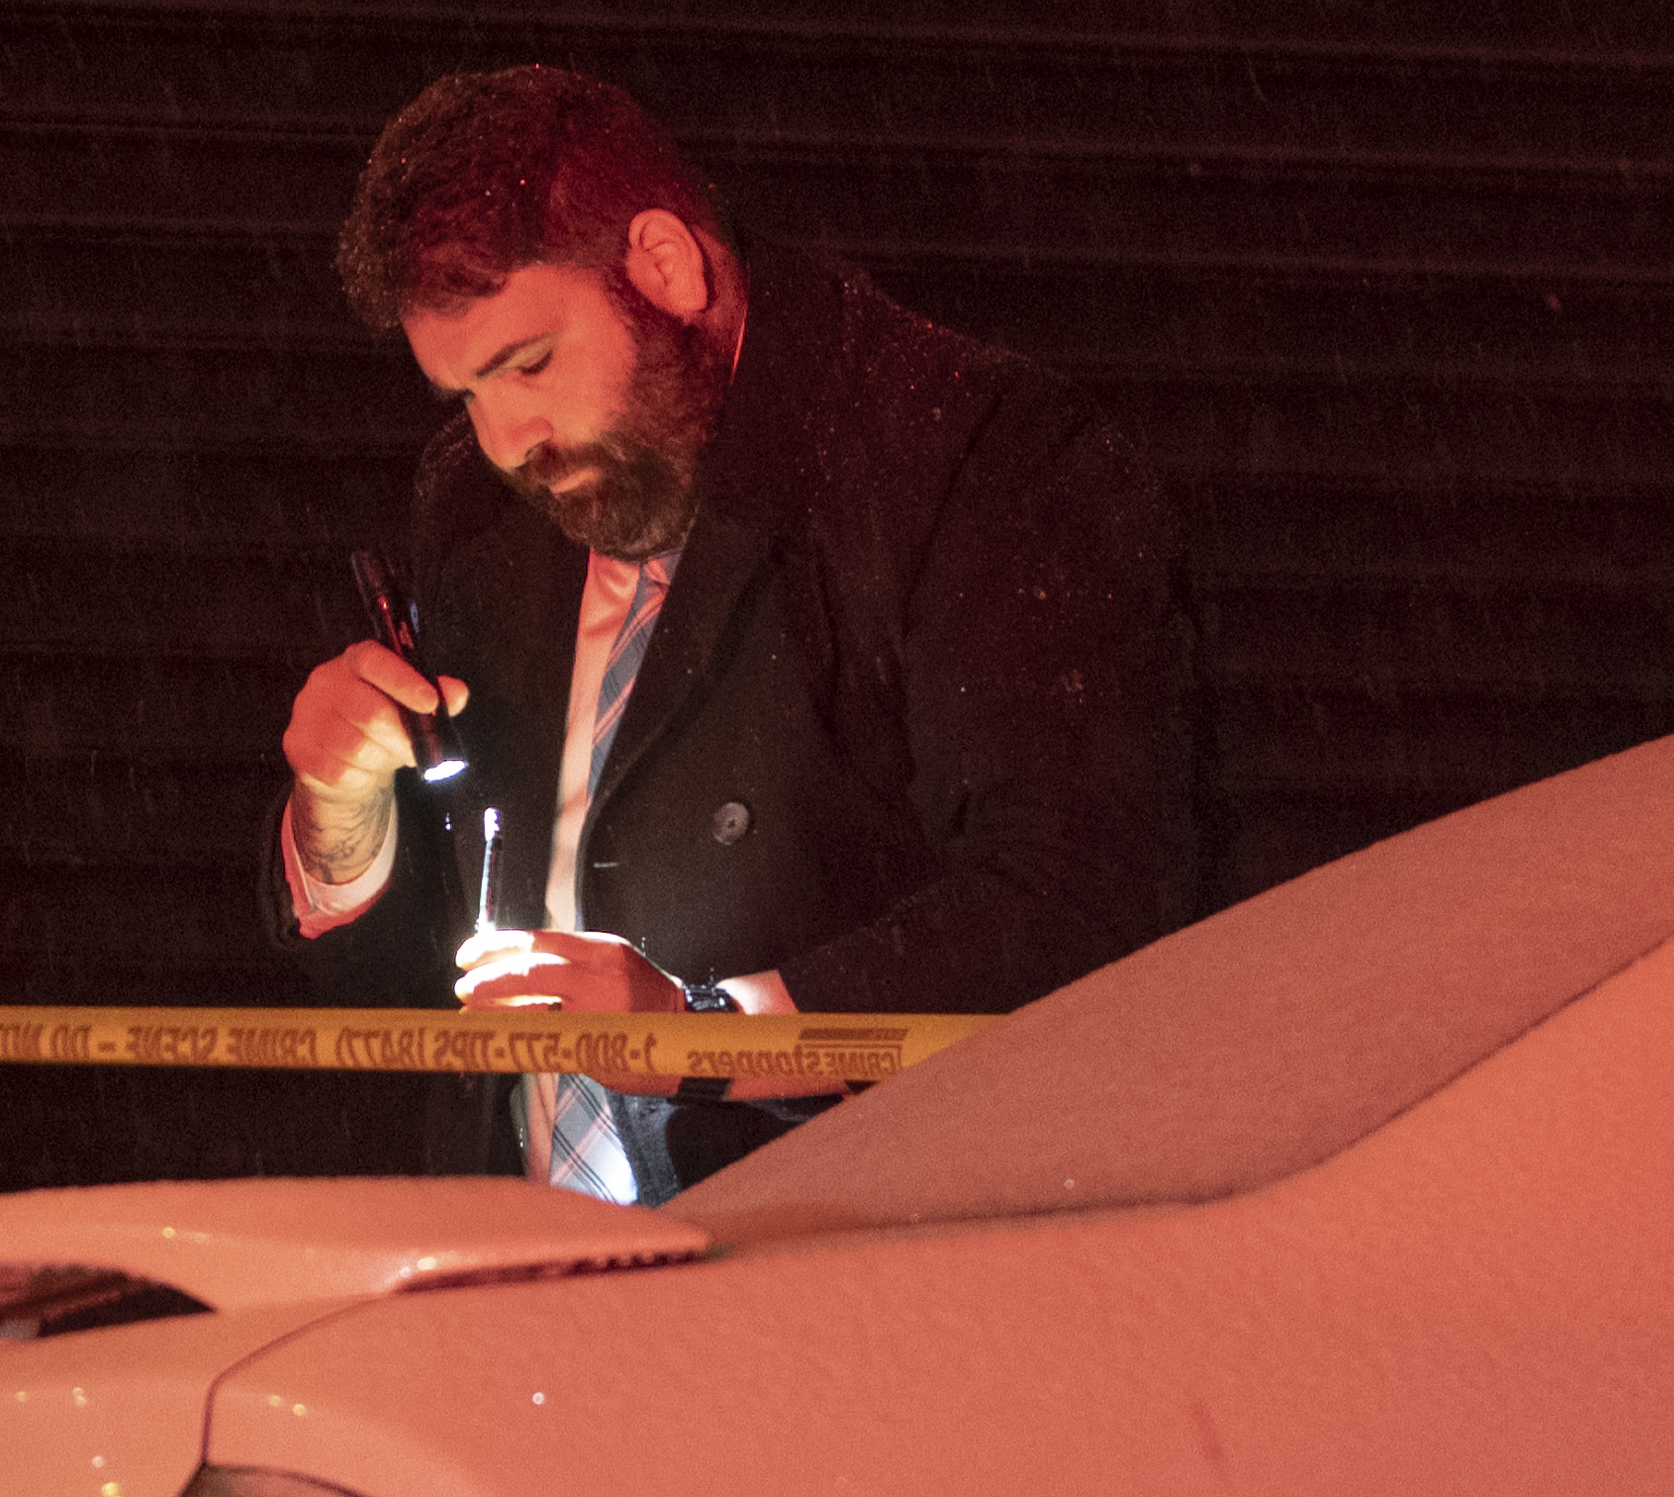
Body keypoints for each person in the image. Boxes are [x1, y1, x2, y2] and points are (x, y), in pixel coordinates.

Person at [267, 66, 1204, 1199]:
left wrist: (710, 1035)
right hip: (510, 1277)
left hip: (844, 1275)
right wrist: (338, 819)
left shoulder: (967, 449)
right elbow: (418, 968)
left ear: (664, 266)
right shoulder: (472, 500)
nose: (507, 436)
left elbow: (1088, 895)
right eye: (463, 392)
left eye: (528, 363)